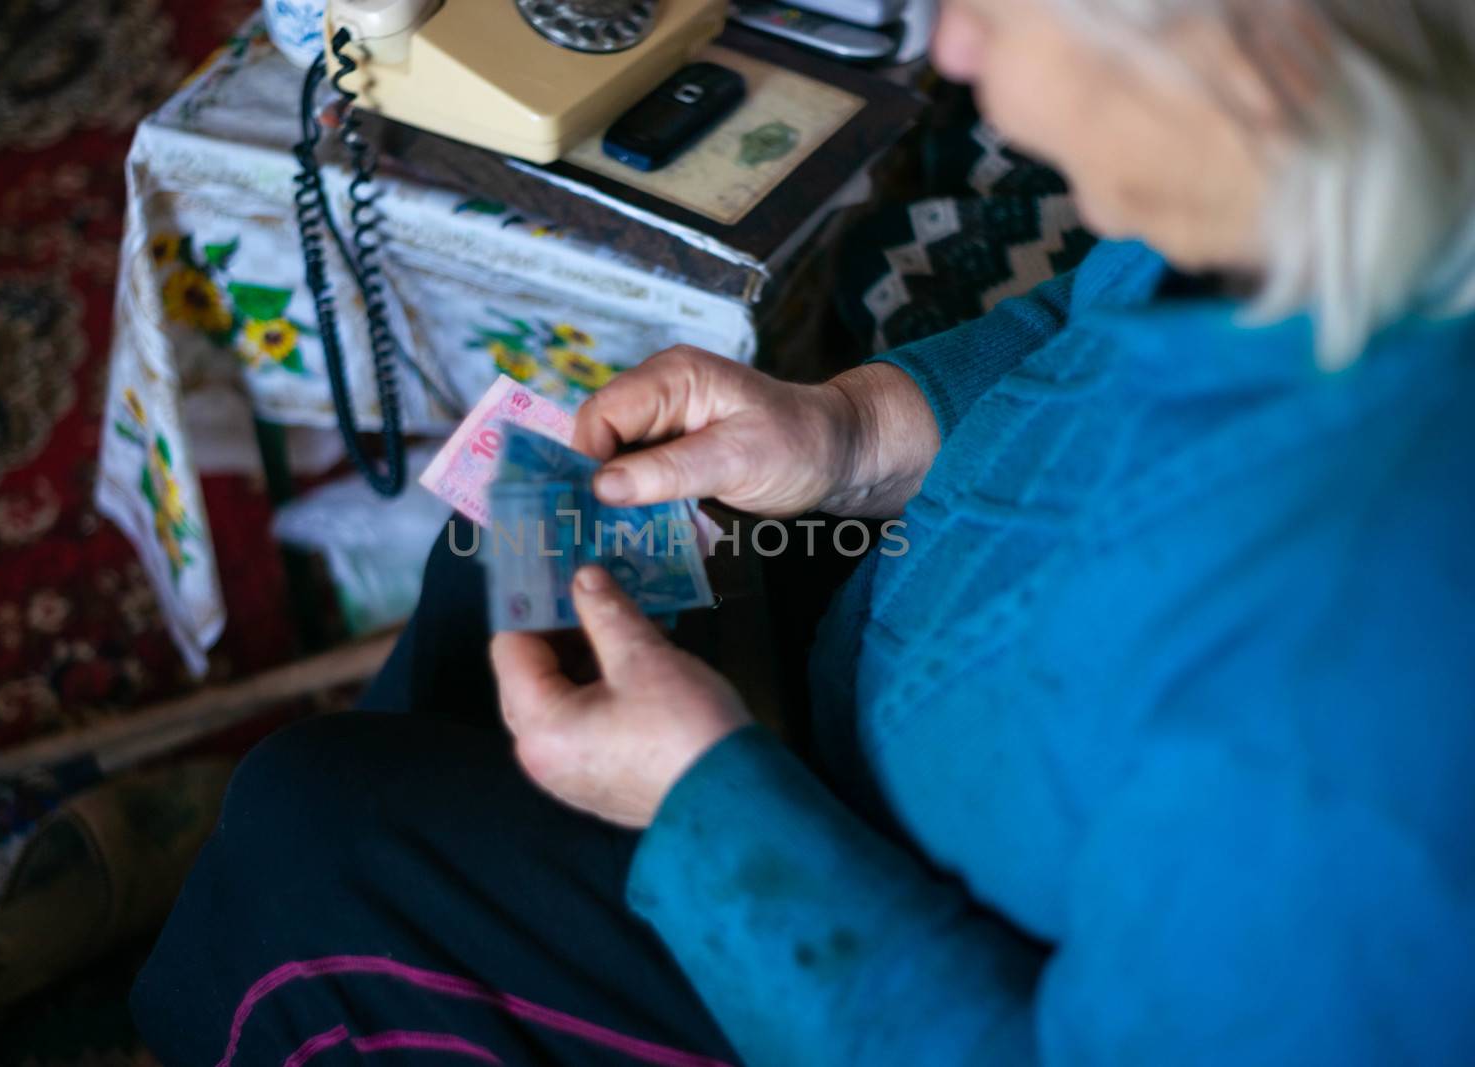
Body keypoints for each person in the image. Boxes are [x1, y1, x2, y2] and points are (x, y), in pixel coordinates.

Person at [131, 0, 1475, 1063]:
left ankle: (255, 941)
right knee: (526, 520)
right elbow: (1104, 315)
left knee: (318, 845)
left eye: (1010, 8)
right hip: (903, 689)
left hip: (891, 968)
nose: (950, 42)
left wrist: (705, 808)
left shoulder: (1342, 741)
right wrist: (851, 436)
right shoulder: (1345, 195)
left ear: (1268, 69)